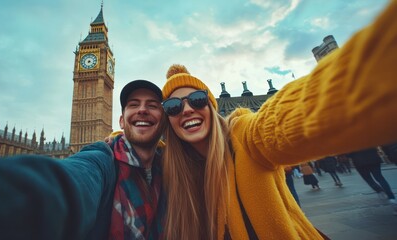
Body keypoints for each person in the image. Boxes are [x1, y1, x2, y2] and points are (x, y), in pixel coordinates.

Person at [160, 2, 397, 238]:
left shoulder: (245, 137)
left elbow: (294, 115)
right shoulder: (173, 170)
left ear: (212, 107)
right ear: (168, 119)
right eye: (173, 106)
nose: (187, 109)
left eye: (198, 99)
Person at [0, 80, 166, 240]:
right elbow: (65, 184)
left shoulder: (170, 172)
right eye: (133, 104)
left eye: (152, 105)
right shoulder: (102, 161)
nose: (142, 110)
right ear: (121, 120)